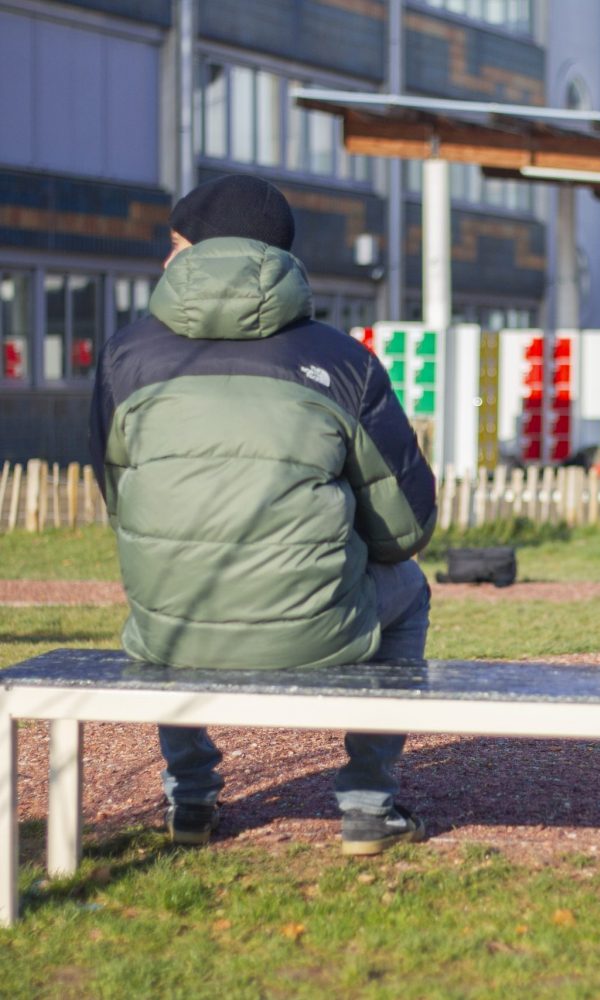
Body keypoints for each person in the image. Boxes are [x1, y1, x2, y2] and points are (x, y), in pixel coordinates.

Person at [89, 173, 437, 856]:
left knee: (167, 584)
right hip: (317, 631)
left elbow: (121, 498)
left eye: (176, 244)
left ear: (205, 251)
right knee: (413, 590)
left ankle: (190, 797)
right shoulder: (342, 361)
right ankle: (368, 801)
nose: (166, 261)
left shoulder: (125, 357)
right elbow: (405, 530)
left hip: (175, 628)